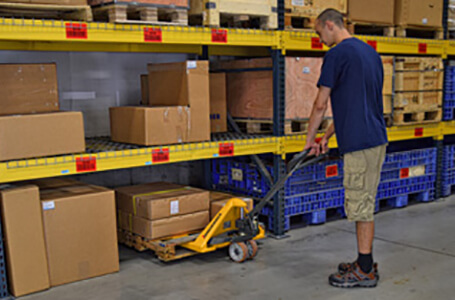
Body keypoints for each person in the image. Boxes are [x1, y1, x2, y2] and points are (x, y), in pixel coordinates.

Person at [303, 8, 388, 288]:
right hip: (375, 139)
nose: (320, 39)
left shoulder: (336, 55)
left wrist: (308, 141)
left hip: (360, 144)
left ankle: (364, 270)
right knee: (363, 200)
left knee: (361, 206)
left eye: (319, 33)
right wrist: (327, 135)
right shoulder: (370, 54)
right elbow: (356, 103)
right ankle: (363, 261)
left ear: (330, 25)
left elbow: (320, 104)